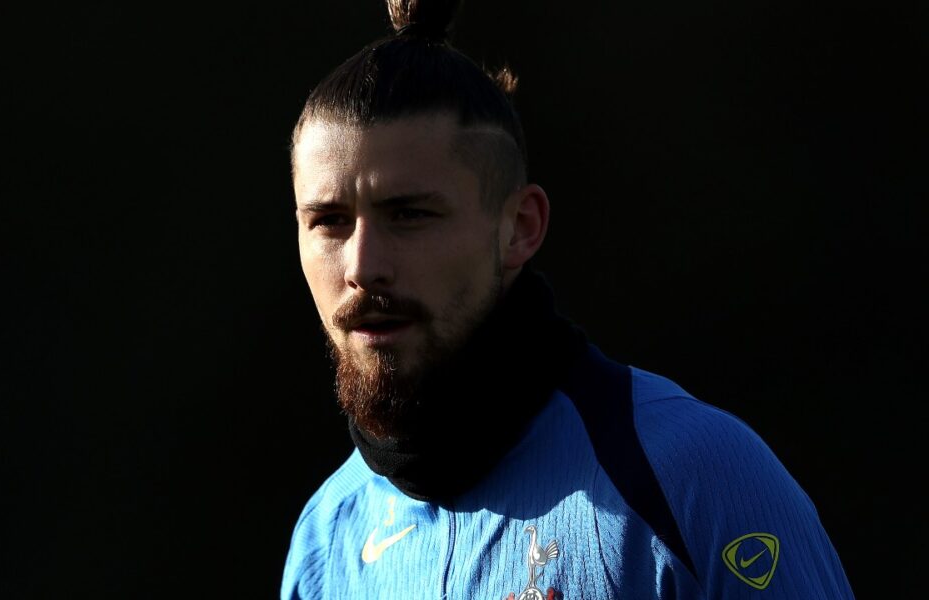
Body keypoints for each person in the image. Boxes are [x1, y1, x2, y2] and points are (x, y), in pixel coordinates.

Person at [281, 1, 855, 598]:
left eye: (410, 215)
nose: (363, 267)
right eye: (329, 221)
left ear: (520, 227)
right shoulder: (326, 540)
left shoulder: (692, 475)